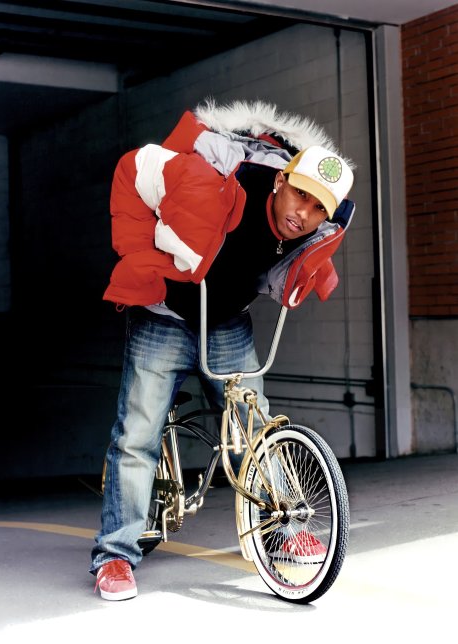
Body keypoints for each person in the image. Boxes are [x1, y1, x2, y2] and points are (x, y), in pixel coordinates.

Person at [91, 98, 355, 601]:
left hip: (227, 321)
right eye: (300, 196)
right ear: (281, 182)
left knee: (255, 432)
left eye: (319, 206)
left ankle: (277, 532)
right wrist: (138, 252)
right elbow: (133, 170)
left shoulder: (315, 230)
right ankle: (115, 555)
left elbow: (304, 259)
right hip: (164, 315)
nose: (305, 214)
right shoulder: (216, 176)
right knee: (137, 435)